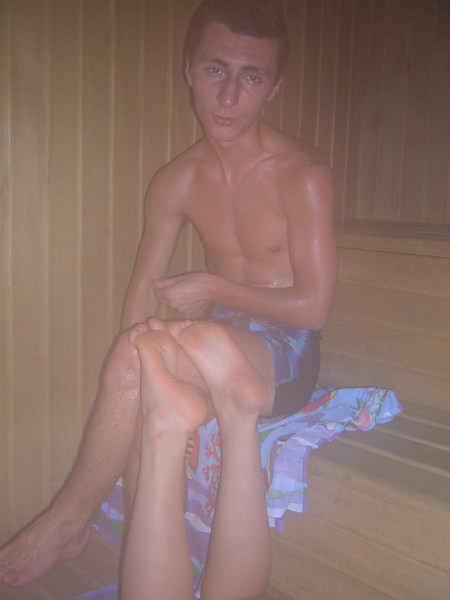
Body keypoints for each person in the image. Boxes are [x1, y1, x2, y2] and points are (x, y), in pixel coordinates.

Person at [0, 1, 337, 597]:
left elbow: (314, 308)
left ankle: (69, 521)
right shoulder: (176, 179)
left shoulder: (303, 174)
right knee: (140, 365)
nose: (228, 96)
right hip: (216, 336)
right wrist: (129, 356)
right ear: (189, 71)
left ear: (274, 88)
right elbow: (141, 291)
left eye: (251, 77)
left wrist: (213, 287)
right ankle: (103, 535)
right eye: (215, 70)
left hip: (285, 350)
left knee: (158, 366)